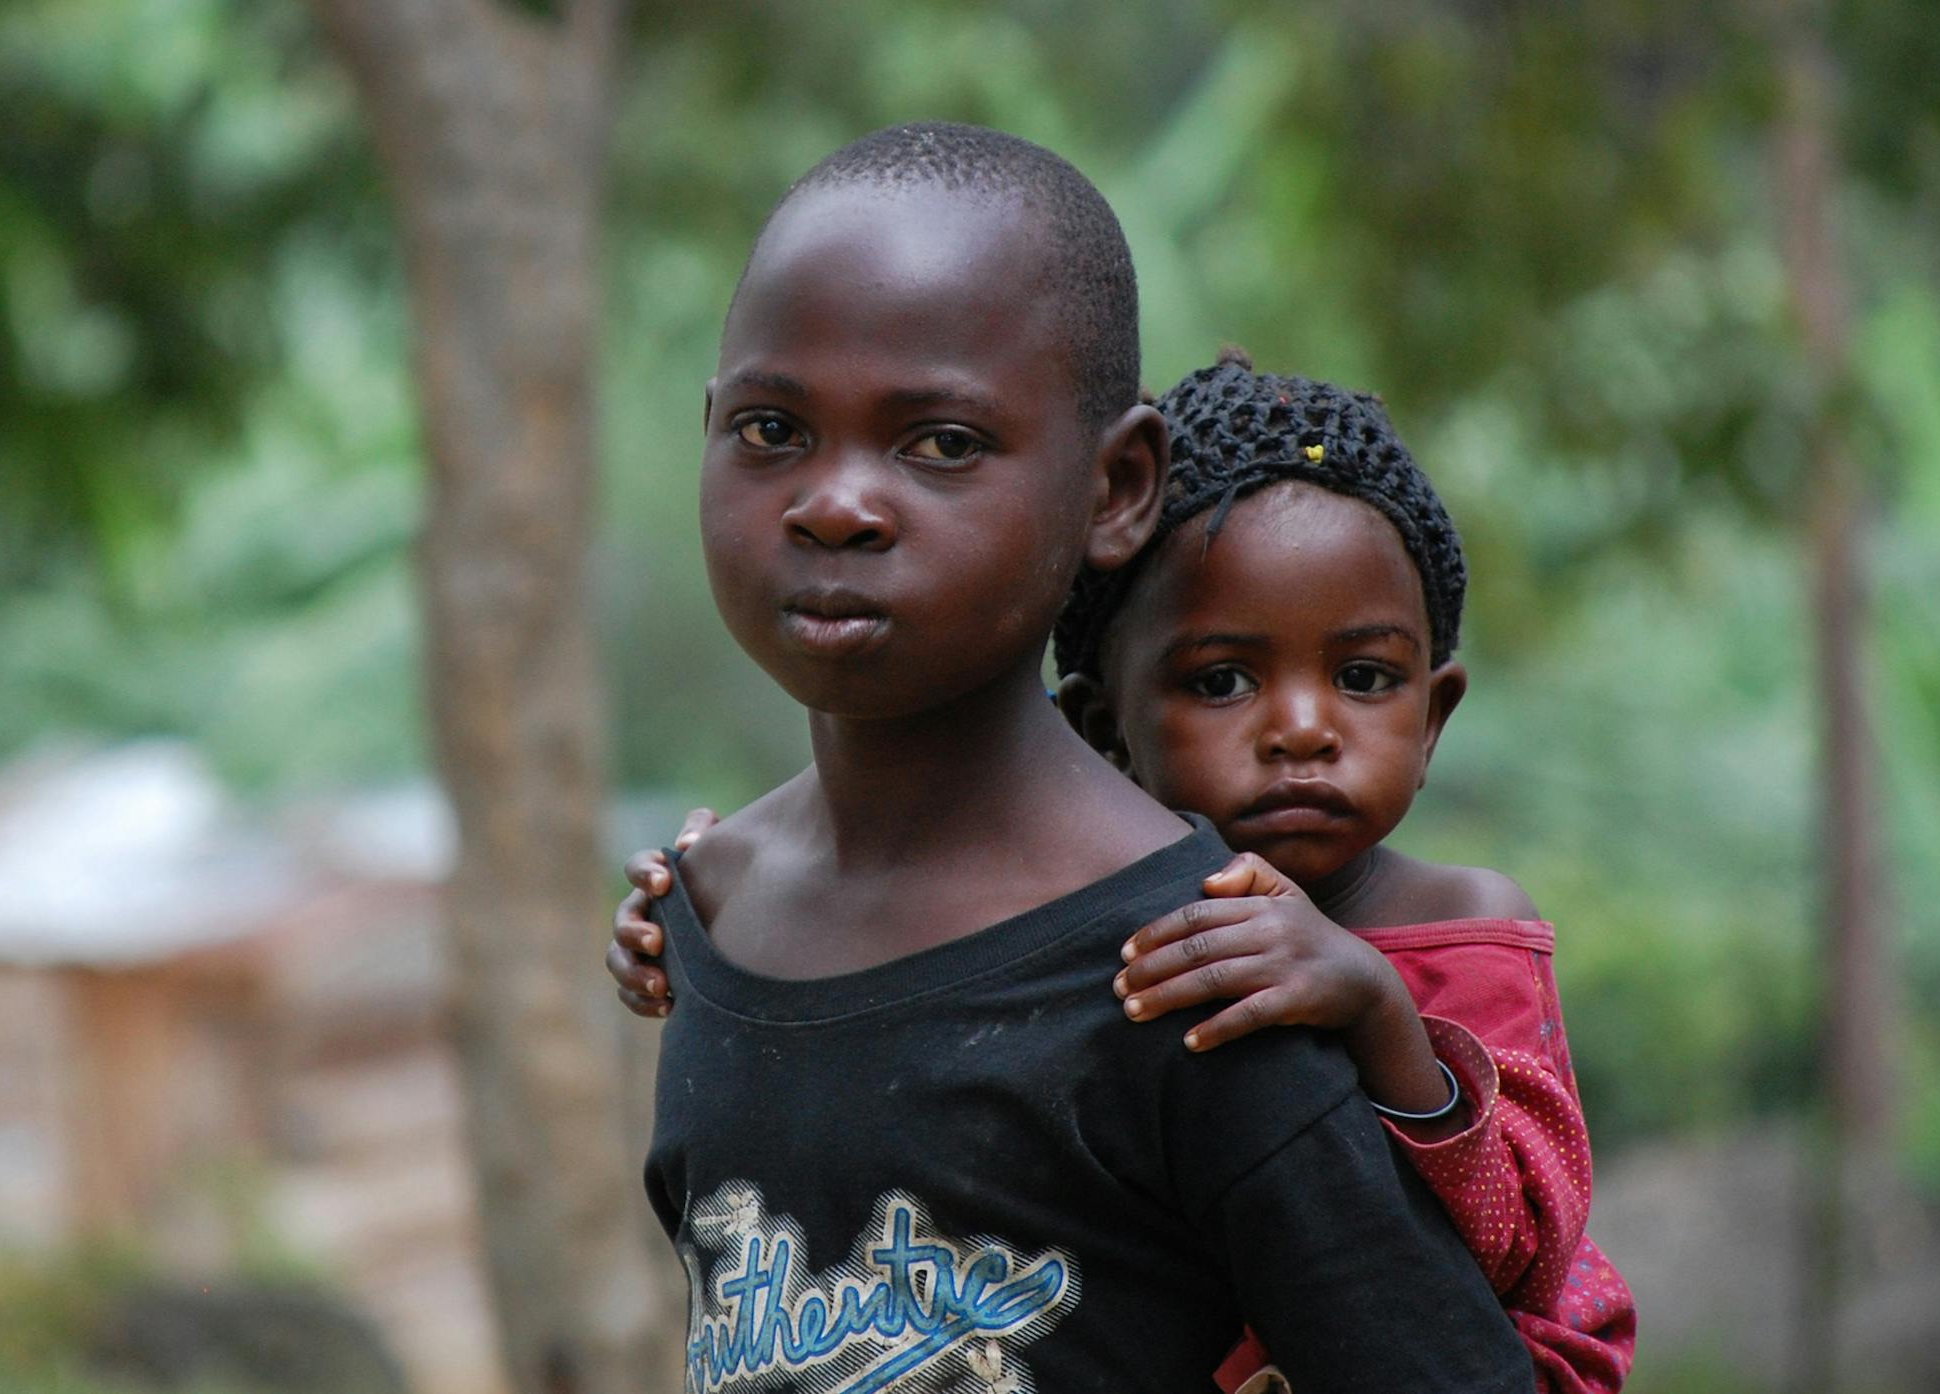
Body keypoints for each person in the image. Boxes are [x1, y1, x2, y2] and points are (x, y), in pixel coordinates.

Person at [636, 121, 1531, 1394]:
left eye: (940, 442)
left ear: (1115, 487)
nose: (833, 501)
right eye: (773, 429)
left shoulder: (1197, 967)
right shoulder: (712, 916)